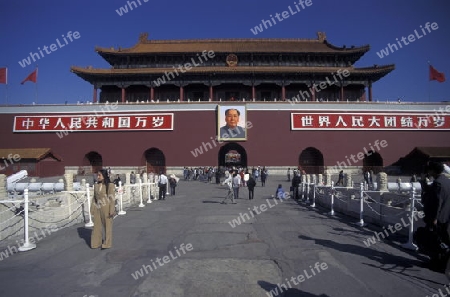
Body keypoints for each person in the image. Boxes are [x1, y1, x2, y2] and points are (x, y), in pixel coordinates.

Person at [427, 162, 450, 277]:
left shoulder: (438, 183)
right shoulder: (447, 181)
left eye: (429, 170)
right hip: (447, 216)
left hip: (439, 217)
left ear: (433, 171)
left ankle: (437, 264)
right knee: (445, 240)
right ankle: (443, 264)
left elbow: (437, 203)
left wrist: (434, 218)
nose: (428, 172)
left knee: (437, 241)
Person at [90, 169, 116, 249]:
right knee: (96, 226)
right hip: (98, 208)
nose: (98, 177)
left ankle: (107, 243)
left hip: (106, 208)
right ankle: (96, 243)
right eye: (97, 175)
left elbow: (111, 198)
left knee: (107, 227)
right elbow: (94, 198)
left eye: (99, 175)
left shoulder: (110, 185)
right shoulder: (96, 185)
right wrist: (92, 208)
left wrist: (111, 210)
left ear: (104, 176)